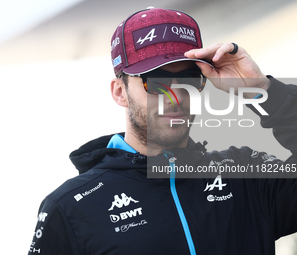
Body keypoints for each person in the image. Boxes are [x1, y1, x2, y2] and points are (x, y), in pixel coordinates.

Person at [28, 7, 297, 255]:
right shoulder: (71, 207)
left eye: (190, 80)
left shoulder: (243, 175)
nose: (175, 97)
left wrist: (261, 90)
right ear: (120, 92)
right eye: (156, 82)